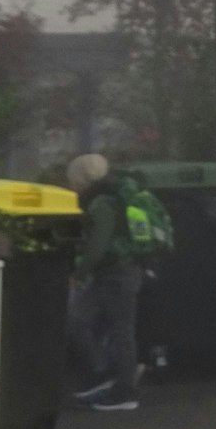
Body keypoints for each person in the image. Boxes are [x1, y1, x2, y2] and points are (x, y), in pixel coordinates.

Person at [67, 154, 143, 412]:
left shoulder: (101, 204)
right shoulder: (111, 196)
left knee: (121, 331)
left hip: (116, 273)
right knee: (80, 320)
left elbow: (97, 248)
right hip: (113, 272)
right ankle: (108, 373)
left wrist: (78, 273)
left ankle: (123, 391)